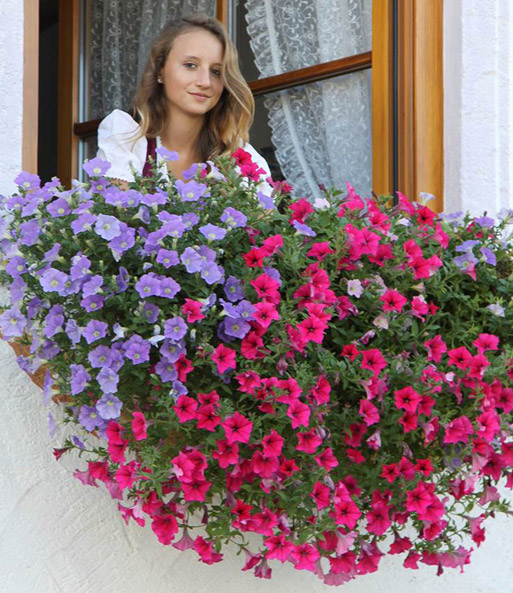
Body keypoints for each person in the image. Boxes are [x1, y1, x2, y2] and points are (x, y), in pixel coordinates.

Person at [96, 13, 272, 192]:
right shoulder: (126, 134)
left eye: (216, 71)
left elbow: (261, 218)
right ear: (160, 71)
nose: (205, 82)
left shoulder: (240, 156)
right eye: (190, 65)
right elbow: (119, 211)